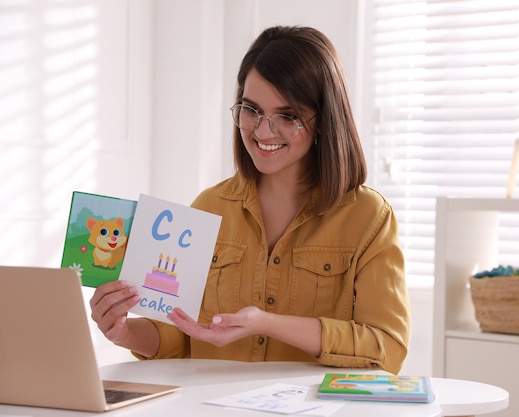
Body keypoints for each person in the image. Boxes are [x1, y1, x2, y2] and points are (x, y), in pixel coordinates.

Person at [90, 25, 411, 374]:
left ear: (322, 121)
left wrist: (267, 323)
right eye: (251, 110)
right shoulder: (208, 208)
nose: (262, 131)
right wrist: (124, 332)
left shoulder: (368, 217)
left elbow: (387, 347)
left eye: (287, 117)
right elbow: (181, 336)